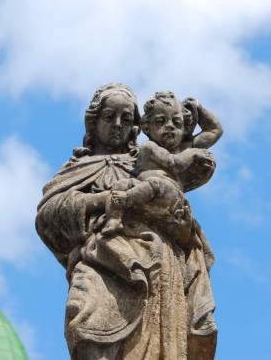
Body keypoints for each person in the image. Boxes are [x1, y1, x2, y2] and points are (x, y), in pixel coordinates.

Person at [36, 84, 218, 360]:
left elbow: (191, 170)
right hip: (100, 259)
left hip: (157, 263)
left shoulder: (148, 159)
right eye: (110, 117)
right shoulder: (76, 169)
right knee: (87, 329)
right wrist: (106, 200)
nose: (118, 125)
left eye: (126, 119)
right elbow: (49, 217)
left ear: (136, 126)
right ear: (94, 121)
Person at [101, 91, 222, 239]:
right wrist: (194, 154)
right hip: (145, 193)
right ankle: (114, 220)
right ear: (146, 127)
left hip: (169, 196)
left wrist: (198, 107)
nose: (170, 126)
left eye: (176, 123)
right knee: (120, 184)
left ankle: (126, 199)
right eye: (160, 121)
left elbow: (215, 130)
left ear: (184, 128)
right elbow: (173, 162)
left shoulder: (185, 148)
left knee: (156, 183)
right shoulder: (149, 147)